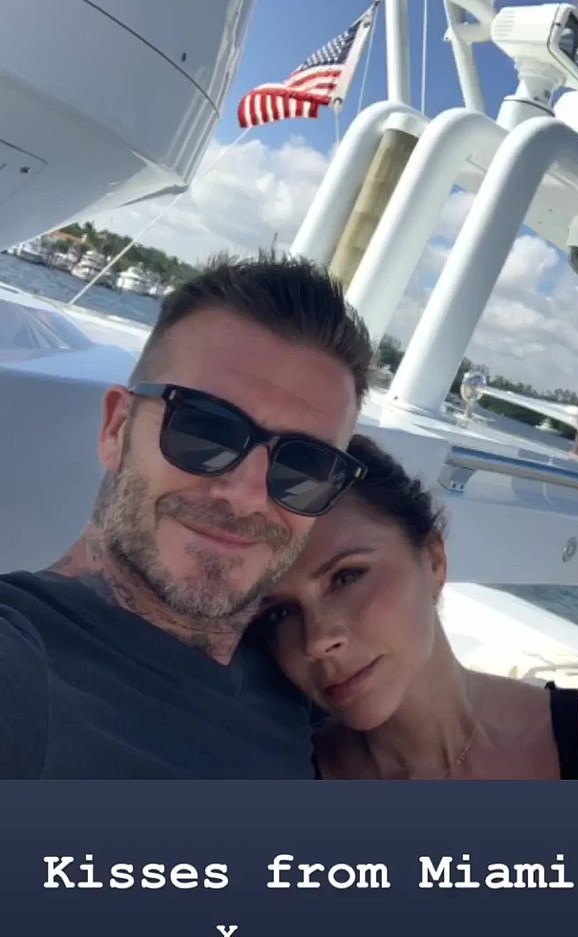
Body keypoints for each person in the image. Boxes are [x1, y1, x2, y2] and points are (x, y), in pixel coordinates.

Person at [0, 251, 373, 779]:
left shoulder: (302, 689)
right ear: (117, 429)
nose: (246, 495)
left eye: (304, 465)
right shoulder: (23, 663)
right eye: (204, 429)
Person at [258, 434, 578, 780]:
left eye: (346, 577)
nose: (316, 641)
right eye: (280, 613)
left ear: (434, 560)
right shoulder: (283, 779)